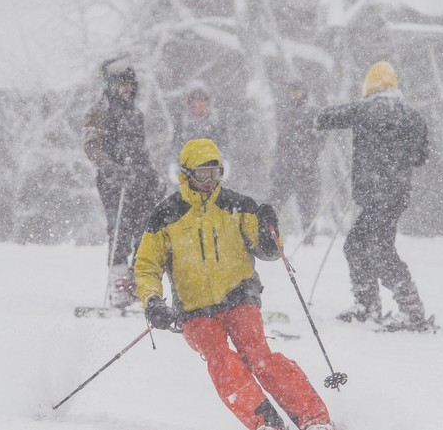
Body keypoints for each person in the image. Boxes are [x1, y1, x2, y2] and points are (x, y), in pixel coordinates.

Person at [135, 138, 334, 430]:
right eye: (203, 174)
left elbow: (268, 252)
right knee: (221, 360)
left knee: (259, 357)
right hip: (194, 310)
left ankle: (314, 418)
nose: (210, 181)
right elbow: (146, 266)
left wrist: (270, 230)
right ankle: (265, 422)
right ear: (187, 174)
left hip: (240, 296)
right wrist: (153, 302)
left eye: (216, 173)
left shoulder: (238, 205)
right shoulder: (166, 216)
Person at [315, 61, 431, 331]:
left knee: (378, 250)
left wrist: (314, 116)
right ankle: (367, 307)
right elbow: (420, 157)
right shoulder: (413, 116)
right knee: (356, 245)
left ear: (370, 87)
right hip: (395, 195)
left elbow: (327, 118)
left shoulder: (367, 108)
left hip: (378, 194)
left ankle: (411, 311)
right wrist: (394, 156)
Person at [83, 56, 163, 308]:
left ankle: (138, 282)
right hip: (113, 182)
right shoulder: (100, 111)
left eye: (130, 84)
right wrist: (111, 168)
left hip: (140, 180)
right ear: (111, 85)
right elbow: (92, 146)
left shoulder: (135, 113)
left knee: (144, 230)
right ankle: (118, 283)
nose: (126, 89)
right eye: (122, 84)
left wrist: (151, 175)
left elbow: (142, 149)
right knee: (119, 230)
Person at [269, 81, 325, 245]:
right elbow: (281, 142)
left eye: (297, 91)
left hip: (305, 170)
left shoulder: (312, 112)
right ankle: (268, 233)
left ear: (303, 93)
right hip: (285, 168)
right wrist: (276, 164)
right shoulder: (285, 113)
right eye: (291, 91)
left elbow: (320, 140)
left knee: (307, 206)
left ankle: (309, 239)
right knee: (274, 202)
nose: (293, 95)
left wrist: (309, 158)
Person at [168, 82, 229, 184]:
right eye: (194, 104)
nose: (198, 107)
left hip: (212, 172)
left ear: (207, 104)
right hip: (189, 172)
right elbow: (176, 147)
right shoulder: (182, 123)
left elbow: (224, 147)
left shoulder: (217, 122)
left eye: (201, 103)